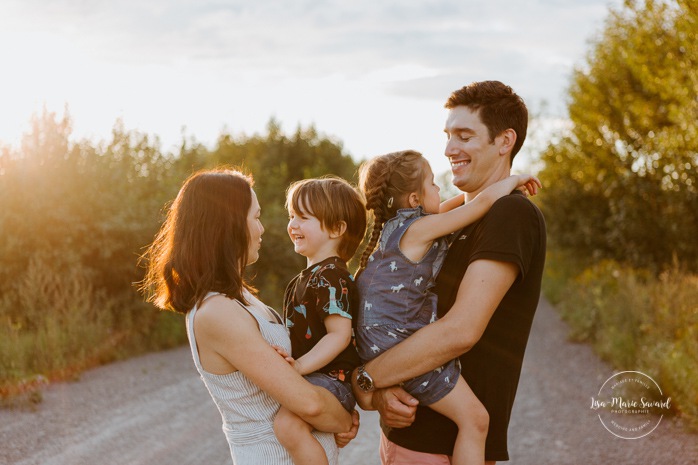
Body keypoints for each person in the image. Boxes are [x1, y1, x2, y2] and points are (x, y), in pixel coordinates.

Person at [351, 81, 547, 464]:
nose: (449, 149)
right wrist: (376, 392)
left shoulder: (510, 213)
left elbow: (460, 331)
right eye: (447, 135)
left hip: (444, 446)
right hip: (409, 437)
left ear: (505, 141)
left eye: (464, 135)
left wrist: (367, 379)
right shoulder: (447, 220)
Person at [141, 168, 358, 465]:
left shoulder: (242, 299)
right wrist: (343, 419)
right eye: (255, 217)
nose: (263, 228)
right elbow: (309, 404)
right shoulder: (216, 312)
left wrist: (336, 405)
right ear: (228, 226)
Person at [272, 177, 366, 465]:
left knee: (288, 425)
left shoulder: (331, 277)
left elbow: (339, 335)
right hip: (317, 378)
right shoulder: (309, 277)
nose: (293, 225)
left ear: (337, 228)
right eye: (291, 216)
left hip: (331, 380)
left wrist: (299, 367)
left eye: (303, 217)